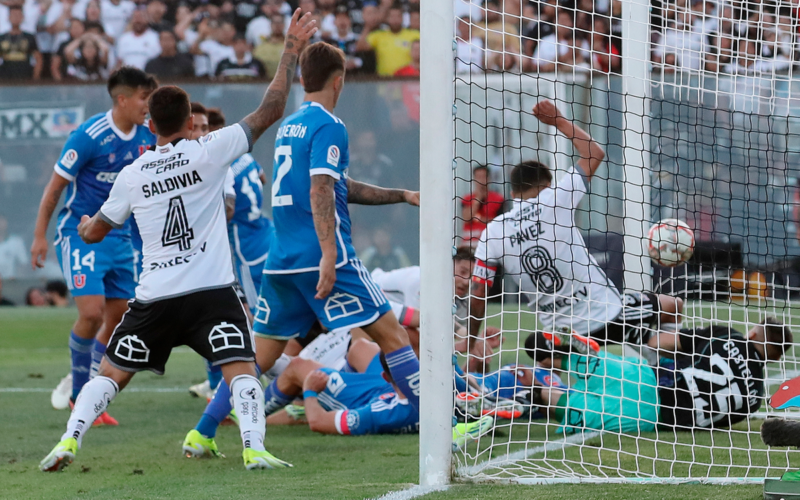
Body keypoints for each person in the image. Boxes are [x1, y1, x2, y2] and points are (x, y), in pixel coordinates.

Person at [39, 9, 318, 473]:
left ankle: (69, 441)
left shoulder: (132, 174)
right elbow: (270, 109)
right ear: (191, 121)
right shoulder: (210, 151)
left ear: (151, 125)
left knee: (111, 373)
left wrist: (87, 225)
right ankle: (254, 448)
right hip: (211, 293)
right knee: (242, 370)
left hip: (156, 297)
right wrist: (291, 49)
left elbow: (95, 230)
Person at [182, 41, 423, 458]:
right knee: (394, 336)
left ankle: (202, 432)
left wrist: (401, 194)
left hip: (282, 259)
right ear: (339, 80)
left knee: (257, 358)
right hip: (322, 255)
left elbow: (339, 187)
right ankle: (441, 423)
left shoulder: (290, 126)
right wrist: (330, 253)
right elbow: (320, 189)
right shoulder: (331, 125)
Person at [468, 100, 684, 355]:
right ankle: (664, 364)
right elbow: (594, 152)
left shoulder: (494, 231)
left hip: (561, 335)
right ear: (547, 185)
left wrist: (471, 342)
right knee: (674, 306)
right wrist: (558, 120)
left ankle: (572, 362)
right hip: (604, 315)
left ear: (513, 192)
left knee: (536, 346)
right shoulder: (555, 198)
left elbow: (479, 291)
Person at [32, 67, 158, 423]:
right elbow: (55, 187)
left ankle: (86, 384)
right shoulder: (89, 135)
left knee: (119, 318)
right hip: (80, 233)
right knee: (91, 313)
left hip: (120, 237)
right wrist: (41, 235)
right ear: (122, 99)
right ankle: (79, 396)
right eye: (143, 98)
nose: (147, 106)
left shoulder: (146, 136)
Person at [524, 317, 793, 433]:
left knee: (599, 367)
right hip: (658, 417)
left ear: (755, 334)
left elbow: (661, 342)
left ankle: (563, 356)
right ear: (777, 357)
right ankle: (533, 397)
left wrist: (636, 334)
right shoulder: (755, 398)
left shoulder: (728, 336)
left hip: (654, 378)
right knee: (581, 413)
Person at [356, 2, 419, 76]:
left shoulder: (415, 35)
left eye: (398, 16)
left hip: (407, 80)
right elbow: (360, 47)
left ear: (402, 18)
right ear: (387, 18)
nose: (395, 19)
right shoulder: (379, 35)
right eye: (392, 16)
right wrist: (368, 26)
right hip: (384, 80)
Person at [461, 164, 504, 247]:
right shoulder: (467, 198)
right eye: (478, 177)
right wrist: (478, 199)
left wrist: (477, 218)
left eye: (484, 177)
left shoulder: (498, 199)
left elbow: (499, 222)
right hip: (469, 245)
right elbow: (466, 218)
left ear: (489, 178)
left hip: (490, 243)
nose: (481, 181)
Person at [0, 6, 43, 80]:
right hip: (5, 77)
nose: (16, 18)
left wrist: (35, 78)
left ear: (22, 17)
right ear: (8, 18)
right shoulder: (2, 38)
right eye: (13, 15)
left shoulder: (29, 37)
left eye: (18, 15)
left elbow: (38, 59)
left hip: (25, 76)